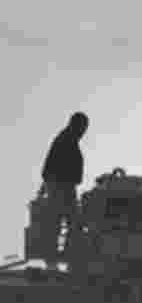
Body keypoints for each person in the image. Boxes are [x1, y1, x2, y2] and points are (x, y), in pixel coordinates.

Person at [40, 112, 89, 269]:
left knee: (67, 223)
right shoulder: (66, 140)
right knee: (68, 222)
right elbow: (51, 167)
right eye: (83, 127)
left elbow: (49, 167)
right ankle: (59, 258)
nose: (84, 131)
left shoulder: (67, 139)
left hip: (63, 186)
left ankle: (63, 256)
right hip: (62, 187)